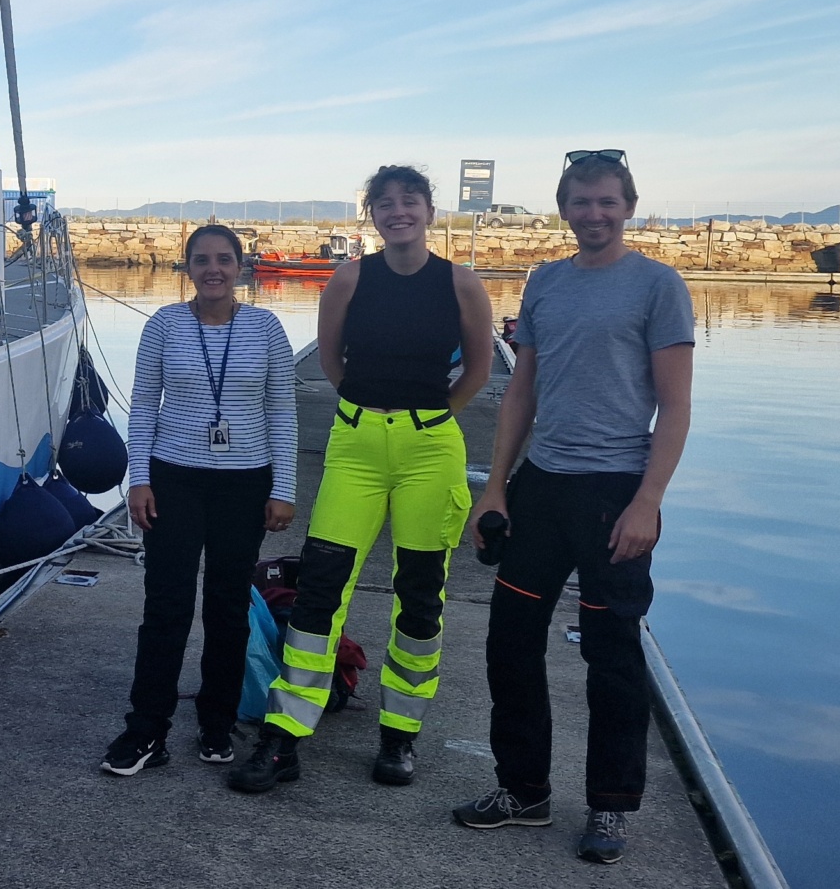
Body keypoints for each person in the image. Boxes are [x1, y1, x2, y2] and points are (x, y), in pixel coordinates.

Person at [451, 150, 694, 866]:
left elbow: (676, 407)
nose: (595, 214)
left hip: (616, 492)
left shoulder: (658, 286)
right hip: (543, 487)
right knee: (510, 642)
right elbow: (521, 389)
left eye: (607, 202)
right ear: (564, 208)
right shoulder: (546, 282)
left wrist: (649, 501)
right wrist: (495, 487)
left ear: (628, 207)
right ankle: (523, 790)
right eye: (582, 202)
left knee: (611, 656)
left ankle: (610, 804)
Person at [231, 166, 495, 793]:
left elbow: (479, 372)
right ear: (371, 214)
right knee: (322, 587)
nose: (398, 211)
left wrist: (426, 419)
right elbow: (330, 360)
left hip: (430, 450)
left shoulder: (461, 284)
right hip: (355, 447)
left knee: (421, 595)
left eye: (410, 201)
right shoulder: (349, 278)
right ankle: (285, 735)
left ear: (430, 211)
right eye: (385, 203)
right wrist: (370, 412)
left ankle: (400, 735)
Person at [101, 225, 298, 776]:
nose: (214, 269)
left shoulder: (265, 328)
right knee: (166, 606)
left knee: (228, 608)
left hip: (245, 484)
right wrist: (139, 480)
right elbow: (144, 406)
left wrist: (283, 488)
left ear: (240, 266)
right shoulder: (165, 324)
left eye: (224, 259)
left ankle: (216, 721)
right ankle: (147, 729)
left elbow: (282, 409)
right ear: (187, 267)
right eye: (202, 260)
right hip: (175, 481)